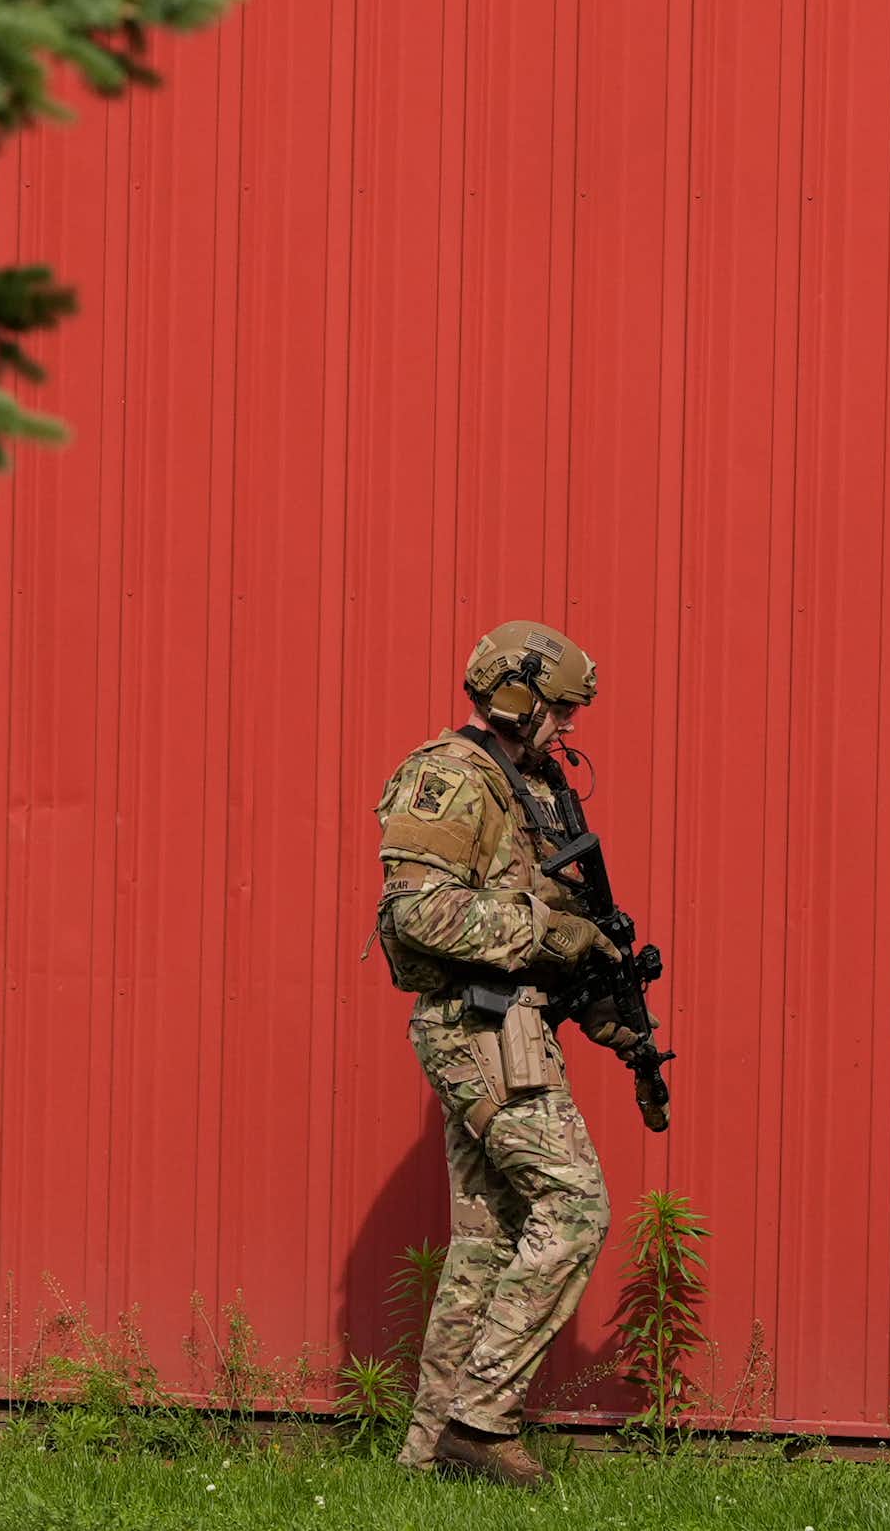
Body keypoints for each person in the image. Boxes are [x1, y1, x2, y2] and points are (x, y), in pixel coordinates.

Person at [372, 619, 644, 1489]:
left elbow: (559, 926)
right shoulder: (448, 776)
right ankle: (481, 1418)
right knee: (576, 1204)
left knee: (485, 1240)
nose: (567, 727)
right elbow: (420, 915)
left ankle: (425, 1456)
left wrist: (608, 1009)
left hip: (514, 1022)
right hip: (473, 1023)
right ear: (517, 695)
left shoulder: (536, 784)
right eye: (559, 709)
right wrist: (550, 930)